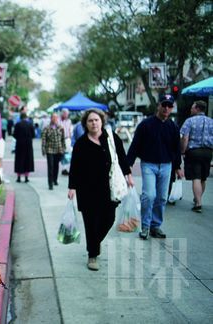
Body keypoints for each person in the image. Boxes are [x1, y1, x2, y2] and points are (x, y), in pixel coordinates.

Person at [68, 109, 133, 271]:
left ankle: (94, 244)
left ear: (102, 121)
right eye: (90, 121)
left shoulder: (110, 138)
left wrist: (128, 175)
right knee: (90, 223)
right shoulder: (81, 143)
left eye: (96, 120)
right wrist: (72, 187)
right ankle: (92, 255)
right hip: (87, 189)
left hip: (109, 188)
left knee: (108, 219)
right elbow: (75, 167)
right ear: (85, 124)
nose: (94, 123)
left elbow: (122, 158)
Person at [127, 94, 183, 240]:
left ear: (172, 108)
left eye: (169, 106)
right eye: (163, 104)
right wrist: (128, 165)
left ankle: (155, 226)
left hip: (166, 166)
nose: (166, 108)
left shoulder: (173, 127)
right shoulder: (146, 125)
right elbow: (135, 146)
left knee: (162, 197)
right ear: (158, 105)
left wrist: (177, 167)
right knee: (149, 195)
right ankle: (145, 226)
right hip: (148, 165)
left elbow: (176, 149)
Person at [180, 100, 212, 213]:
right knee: (203, 178)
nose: (191, 109)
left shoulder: (189, 121)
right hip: (208, 152)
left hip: (194, 151)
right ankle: (198, 198)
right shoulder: (211, 121)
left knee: (196, 177)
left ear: (198, 109)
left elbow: (185, 137)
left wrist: (183, 151)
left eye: (193, 107)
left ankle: (198, 203)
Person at [42, 113, 66, 190]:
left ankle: (55, 179)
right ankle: (50, 183)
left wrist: (63, 149)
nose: (55, 119)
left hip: (58, 150)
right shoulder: (46, 128)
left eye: (56, 118)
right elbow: (44, 140)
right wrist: (43, 150)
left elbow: (63, 139)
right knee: (50, 167)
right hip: (50, 150)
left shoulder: (61, 128)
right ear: (51, 118)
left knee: (56, 166)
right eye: (53, 118)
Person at [13, 112, 35, 182]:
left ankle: (18, 177)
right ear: (26, 117)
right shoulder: (30, 124)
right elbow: (33, 135)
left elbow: (14, 134)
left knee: (19, 160)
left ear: (20, 117)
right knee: (27, 160)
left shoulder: (17, 124)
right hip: (28, 145)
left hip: (19, 144)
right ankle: (26, 177)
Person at [59, 108, 73, 175]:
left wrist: (70, 138)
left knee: (67, 154)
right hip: (60, 139)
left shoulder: (69, 121)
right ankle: (63, 168)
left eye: (67, 113)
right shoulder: (59, 121)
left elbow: (70, 130)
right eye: (65, 113)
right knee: (62, 154)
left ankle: (66, 169)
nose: (66, 115)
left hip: (67, 139)